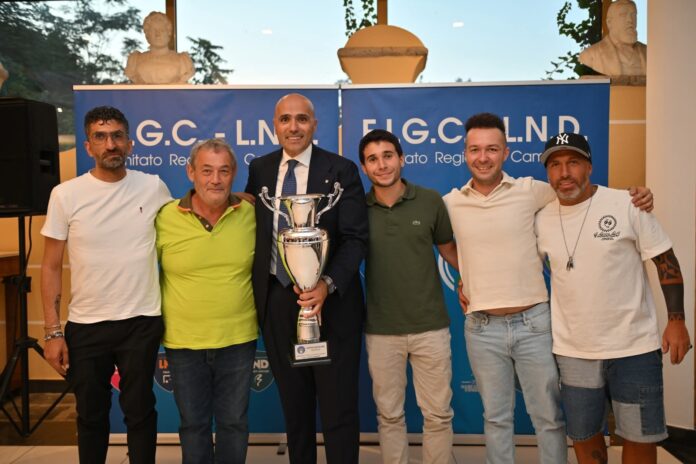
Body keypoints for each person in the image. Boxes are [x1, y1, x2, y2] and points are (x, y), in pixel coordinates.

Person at [443, 113, 653, 464]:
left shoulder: (532, 191)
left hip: (534, 325)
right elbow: (443, 242)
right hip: (482, 328)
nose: (483, 157)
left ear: (505, 153)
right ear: (465, 154)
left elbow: (584, 195)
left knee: (549, 418)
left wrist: (637, 195)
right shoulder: (451, 203)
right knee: (495, 418)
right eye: (475, 149)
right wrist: (466, 273)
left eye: (492, 149)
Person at [535, 132, 692, 464]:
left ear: (589, 167)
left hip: (634, 348)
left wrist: (677, 321)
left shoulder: (627, 204)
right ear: (547, 173)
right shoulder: (541, 218)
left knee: (639, 437)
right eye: (555, 165)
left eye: (573, 162)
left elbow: (666, 260)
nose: (564, 173)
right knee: (584, 435)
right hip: (573, 351)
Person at [41, 106, 171, 463]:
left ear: (130, 143)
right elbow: (50, 266)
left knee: (140, 411)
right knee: (91, 415)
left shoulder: (153, 187)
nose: (110, 144)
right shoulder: (65, 195)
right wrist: (53, 333)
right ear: (88, 146)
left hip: (141, 320)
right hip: (86, 325)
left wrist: (237, 199)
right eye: (100, 137)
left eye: (116, 136)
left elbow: (186, 221)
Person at [244, 93, 368, 464]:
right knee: (295, 409)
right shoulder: (260, 169)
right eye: (285, 119)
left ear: (314, 124)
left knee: (338, 407)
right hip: (278, 300)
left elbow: (356, 238)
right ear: (274, 125)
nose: (293, 127)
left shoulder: (341, 170)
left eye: (301, 119)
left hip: (333, 302)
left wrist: (326, 285)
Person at [359, 129, 458, 464]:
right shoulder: (357, 209)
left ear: (402, 158)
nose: (382, 165)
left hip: (430, 327)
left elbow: (449, 251)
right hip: (381, 330)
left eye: (388, 156)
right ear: (364, 167)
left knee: (438, 415)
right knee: (389, 416)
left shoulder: (430, 201)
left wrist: (476, 283)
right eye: (373, 159)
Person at [155, 138, 257, 464]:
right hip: (183, 342)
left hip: (238, 338)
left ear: (234, 174)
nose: (216, 179)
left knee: (234, 424)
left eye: (224, 171)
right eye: (207, 171)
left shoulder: (251, 214)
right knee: (194, 426)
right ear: (190, 172)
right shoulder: (164, 217)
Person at [578, 0, 647, 76]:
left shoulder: (649, 52)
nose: (630, 20)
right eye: (623, 15)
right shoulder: (590, 55)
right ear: (609, 23)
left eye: (633, 15)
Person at [125, 11, 194, 84]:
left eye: (162, 30)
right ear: (147, 35)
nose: (158, 34)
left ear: (169, 33)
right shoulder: (135, 60)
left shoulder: (183, 61)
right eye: (154, 30)